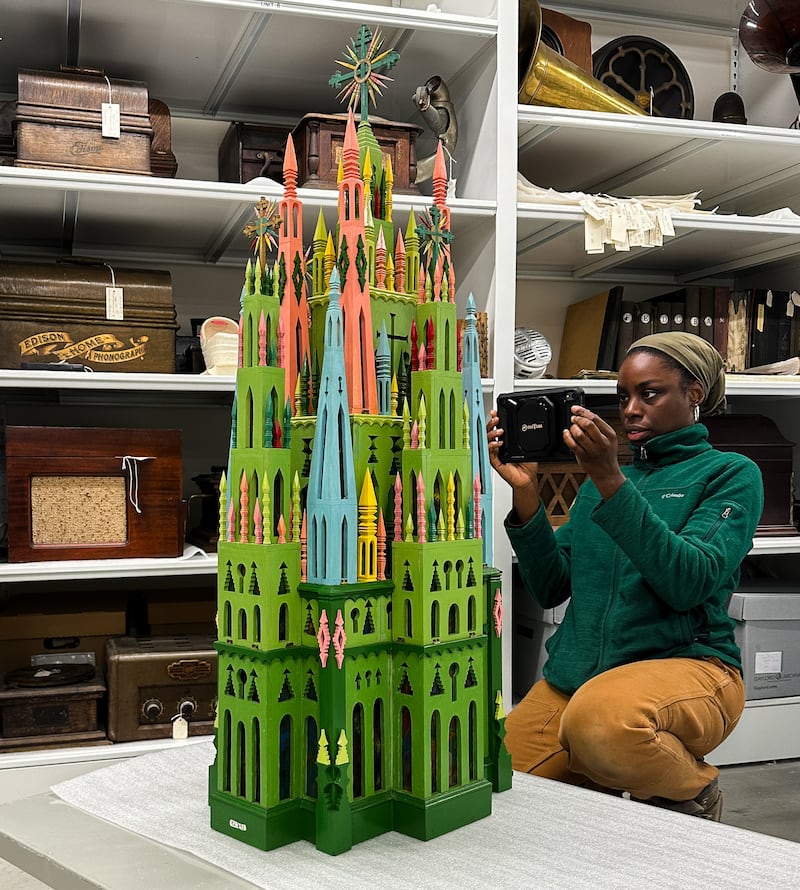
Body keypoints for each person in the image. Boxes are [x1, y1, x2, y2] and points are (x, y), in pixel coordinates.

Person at [487, 331, 764, 820]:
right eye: (622, 397)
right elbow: (552, 586)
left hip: (692, 667)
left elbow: (689, 581)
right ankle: (607, 782)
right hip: (576, 679)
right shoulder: (600, 485)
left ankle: (692, 790)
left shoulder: (730, 473)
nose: (631, 409)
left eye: (649, 393)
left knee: (601, 726)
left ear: (694, 393)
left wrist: (611, 480)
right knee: (489, 779)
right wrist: (526, 494)